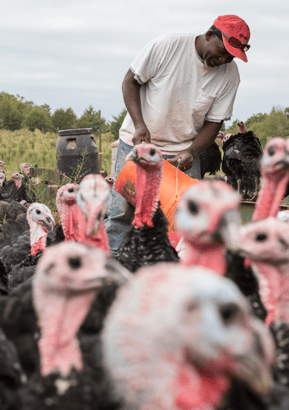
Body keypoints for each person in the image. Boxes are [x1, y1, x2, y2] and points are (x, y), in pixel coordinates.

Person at [105, 15, 251, 255]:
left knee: (186, 221)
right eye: (222, 50)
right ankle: (112, 271)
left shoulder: (230, 75)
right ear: (209, 35)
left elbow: (214, 122)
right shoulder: (168, 46)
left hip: (181, 153)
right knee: (121, 213)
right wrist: (140, 125)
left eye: (231, 56)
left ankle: (171, 278)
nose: (224, 59)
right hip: (138, 144)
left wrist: (192, 152)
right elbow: (130, 82)